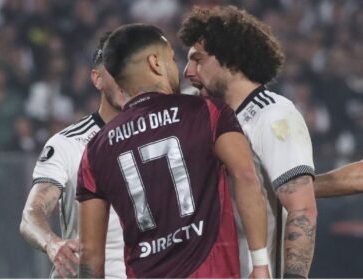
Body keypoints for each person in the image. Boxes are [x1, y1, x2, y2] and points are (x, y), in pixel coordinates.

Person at [76, 23, 270, 279]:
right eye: (171, 58)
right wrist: (259, 265)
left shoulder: (94, 151)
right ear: (155, 63)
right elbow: (246, 176)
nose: (178, 68)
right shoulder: (207, 112)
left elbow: (90, 258)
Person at [179, 6, 317, 279]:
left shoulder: (273, 115)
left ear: (230, 59)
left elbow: (301, 209)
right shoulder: (200, 115)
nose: (187, 72)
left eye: (198, 60)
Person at [19, 31, 126, 279]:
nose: (126, 80)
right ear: (97, 79)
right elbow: (31, 214)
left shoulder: (162, 135)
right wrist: (52, 243)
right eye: (116, 71)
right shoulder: (68, 143)